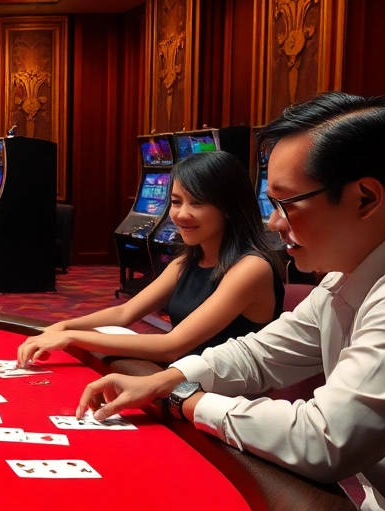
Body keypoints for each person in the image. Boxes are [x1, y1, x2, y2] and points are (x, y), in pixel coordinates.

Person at [75, 93, 385, 511]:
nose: (274, 224)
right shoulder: (358, 268)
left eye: (286, 203)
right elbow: (262, 353)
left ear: (365, 197)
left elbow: (323, 442)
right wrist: (169, 376)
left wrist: (184, 399)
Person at [17, 151, 284, 365]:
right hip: (184, 381)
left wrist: (71, 338)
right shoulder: (188, 260)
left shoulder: (251, 268)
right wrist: (61, 327)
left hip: (224, 404)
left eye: (197, 203)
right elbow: (124, 312)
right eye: (176, 202)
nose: (180, 214)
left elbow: (172, 346)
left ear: (229, 207)